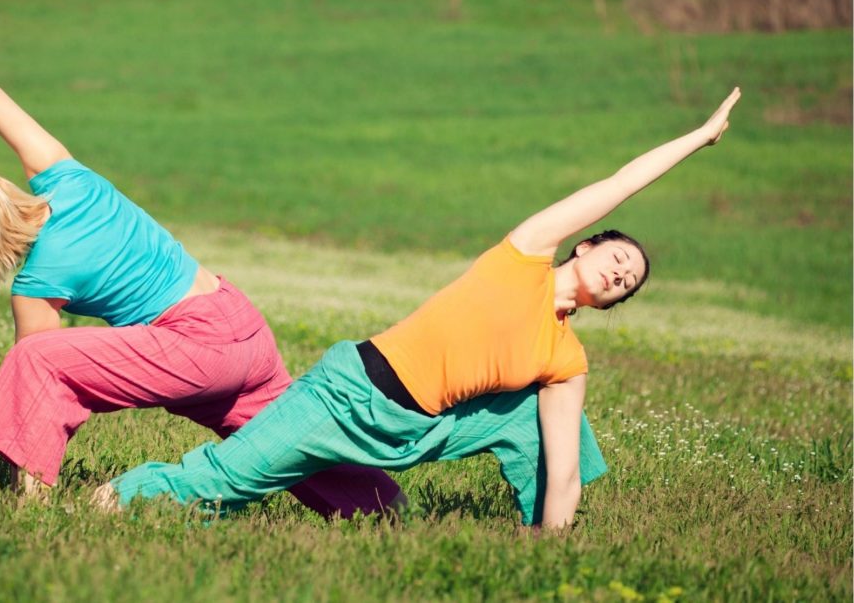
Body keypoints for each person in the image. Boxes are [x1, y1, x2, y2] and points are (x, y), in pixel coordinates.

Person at [0, 0, 405, 518]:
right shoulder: (62, 175)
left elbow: (42, 389)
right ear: (0, 191)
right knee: (285, 437)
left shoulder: (34, 287)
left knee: (35, 359)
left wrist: (26, 490)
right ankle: (382, 507)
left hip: (197, 350)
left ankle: (38, 509)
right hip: (241, 322)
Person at [96, 89, 742, 530]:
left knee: (550, 425)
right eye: (619, 257)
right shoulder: (524, 254)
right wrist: (701, 137)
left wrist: (555, 548)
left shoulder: (566, 357)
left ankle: (535, 532)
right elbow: (620, 182)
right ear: (586, 244)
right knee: (233, 478)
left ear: (615, 299)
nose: (622, 271)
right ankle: (109, 502)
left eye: (629, 281)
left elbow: (565, 466)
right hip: (347, 393)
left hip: (418, 430)